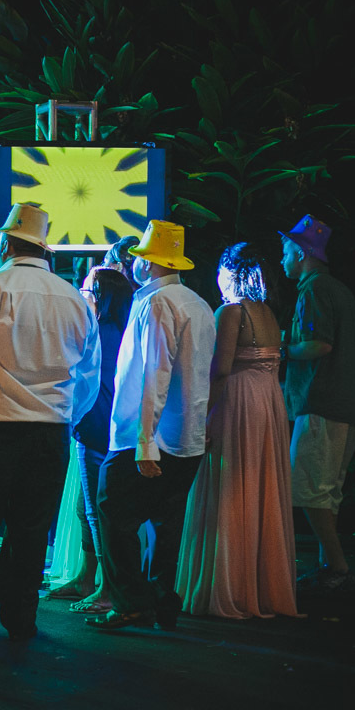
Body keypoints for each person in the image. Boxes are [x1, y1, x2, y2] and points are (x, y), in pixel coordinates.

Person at [0, 204, 101, 648]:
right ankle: (21, 622)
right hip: (50, 435)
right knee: (29, 534)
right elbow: (88, 373)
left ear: (7, 243)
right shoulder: (75, 298)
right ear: (42, 246)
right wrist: (64, 416)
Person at [88, 220, 216, 631]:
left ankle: (132, 602)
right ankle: (162, 599)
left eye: (141, 258)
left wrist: (144, 443)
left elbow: (154, 375)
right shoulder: (198, 303)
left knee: (112, 512)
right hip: (185, 436)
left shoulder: (157, 303)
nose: (135, 265)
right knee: (166, 521)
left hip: (146, 437)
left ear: (149, 264)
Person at [177, 243, 300, 618]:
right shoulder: (269, 313)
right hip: (268, 401)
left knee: (229, 485)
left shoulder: (231, 312)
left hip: (239, 402)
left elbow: (220, 369)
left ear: (229, 272)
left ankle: (227, 584)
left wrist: (202, 416)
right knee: (261, 485)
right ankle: (260, 584)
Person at [279, 215, 355, 593]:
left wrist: (281, 348)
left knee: (311, 491)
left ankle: (338, 566)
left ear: (300, 253)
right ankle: (329, 567)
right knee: (327, 490)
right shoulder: (338, 288)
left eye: (285, 251)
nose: (282, 259)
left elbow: (318, 345)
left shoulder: (313, 290)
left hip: (321, 403)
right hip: (346, 405)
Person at [48, 267, 132, 614]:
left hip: (95, 426)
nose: (81, 297)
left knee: (98, 511)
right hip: (108, 426)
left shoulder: (97, 332)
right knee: (88, 508)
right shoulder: (119, 330)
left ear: (99, 296)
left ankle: (106, 587)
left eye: (85, 291)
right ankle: (88, 577)